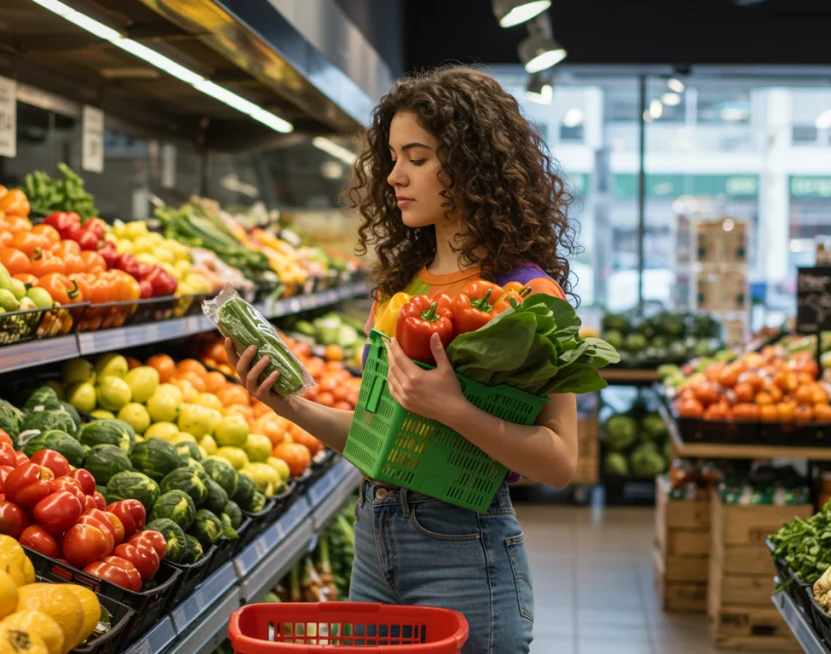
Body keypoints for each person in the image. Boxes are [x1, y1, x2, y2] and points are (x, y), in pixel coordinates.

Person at [225, 65, 580, 654]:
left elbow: (562, 461)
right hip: (374, 539)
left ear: (469, 164)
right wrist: (289, 406)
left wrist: (454, 408)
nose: (394, 176)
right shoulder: (397, 291)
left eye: (417, 157)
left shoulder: (529, 297)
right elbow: (377, 441)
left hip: (464, 552)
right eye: (392, 157)